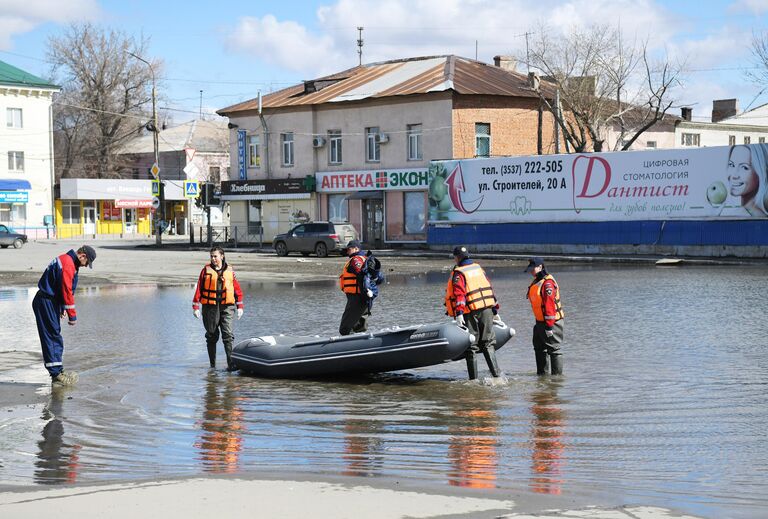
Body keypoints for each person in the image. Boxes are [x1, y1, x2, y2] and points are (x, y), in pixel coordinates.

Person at [32, 245, 97, 386]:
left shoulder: (68, 261)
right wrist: (72, 315)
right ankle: (56, 374)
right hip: (45, 302)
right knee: (52, 336)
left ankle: (57, 372)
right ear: (82, 256)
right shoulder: (68, 264)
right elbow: (67, 290)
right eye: (87, 263)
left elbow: (59, 286)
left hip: (49, 301)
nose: (86, 266)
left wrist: (61, 307)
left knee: (54, 335)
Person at [444, 245, 501, 380]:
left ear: (457, 258)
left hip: (470, 312)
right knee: (488, 342)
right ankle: (497, 376)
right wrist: (495, 310)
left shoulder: (459, 273)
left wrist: (459, 314)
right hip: (487, 309)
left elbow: (460, 295)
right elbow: (489, 289)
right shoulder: (478, 268)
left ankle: (473, 380)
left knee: (471, 345)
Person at [193, 246, 244, 371]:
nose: (213, 258)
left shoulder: (230, 271)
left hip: (227, 307)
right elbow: (199, 288)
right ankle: (212, 366)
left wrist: (240, 306)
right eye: (211, 256)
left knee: (228, 335)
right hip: (210, 308)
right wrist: (196, 306)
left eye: (215, 256)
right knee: (211, 335)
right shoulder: (206, 270)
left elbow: (237, 289)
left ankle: (231, 364)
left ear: (222, 256)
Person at [525, 257, 565, 375]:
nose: (531, 271)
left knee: (554, 349)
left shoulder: (547, 284)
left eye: (533, 269)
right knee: (539, 348)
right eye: (530, 269)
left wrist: (549, 327)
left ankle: (556, 380)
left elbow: (549, 306)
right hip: (540, 322)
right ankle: (542, 377)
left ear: (541, 267)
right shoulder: (538, 281)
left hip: (552, 323)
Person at [338, 240, 382, 335]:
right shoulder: (365, 259)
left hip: (357, 298)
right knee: (359, 326)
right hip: (365, 297)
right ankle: (360, 342)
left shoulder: (356, 260)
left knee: (344, 328)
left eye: (349, 249)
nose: (347, 251)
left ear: (356, 249)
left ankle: (345, 345)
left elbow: (361, 274)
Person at [726, 144, 768, 217]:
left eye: (744, 167)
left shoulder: (741, 213)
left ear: (760, 173)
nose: (734, 175)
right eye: (731, 165)